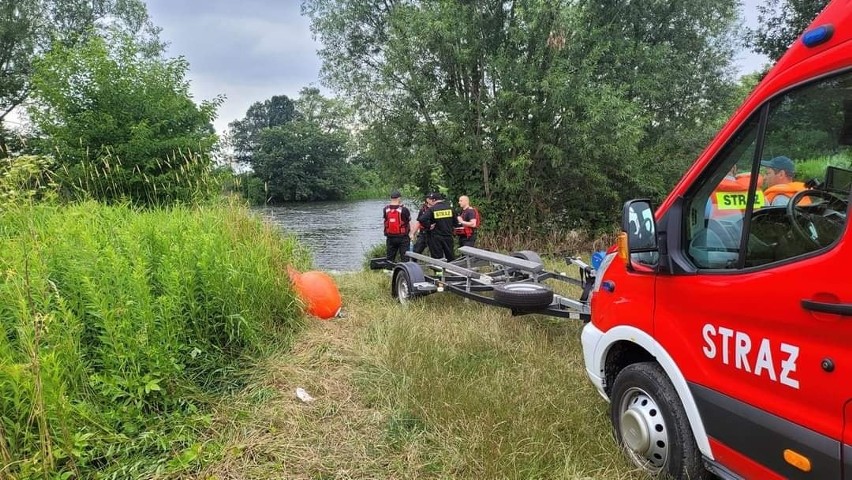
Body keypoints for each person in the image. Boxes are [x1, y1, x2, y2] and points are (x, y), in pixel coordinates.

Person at [419, 192, 455, 261]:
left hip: (436, 237)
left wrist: (429, 226)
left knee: (437, 258)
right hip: (448, 236)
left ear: (433, 200)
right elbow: (456, 223)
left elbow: (422, 219)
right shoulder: (450, 208)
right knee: (450, 256)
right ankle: (450, 270)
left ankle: (439, 271)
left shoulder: (432, 209)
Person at [383, 190, 411, 262]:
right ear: (399, 198)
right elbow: (408, 220)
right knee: (405, 257)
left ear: (390, 198)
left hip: (390, 237)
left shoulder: (385, 209)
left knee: (390, 257)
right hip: (403, 237)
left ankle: (388, 270)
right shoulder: (404, 209)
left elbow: (385, 221)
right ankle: (405, 272)